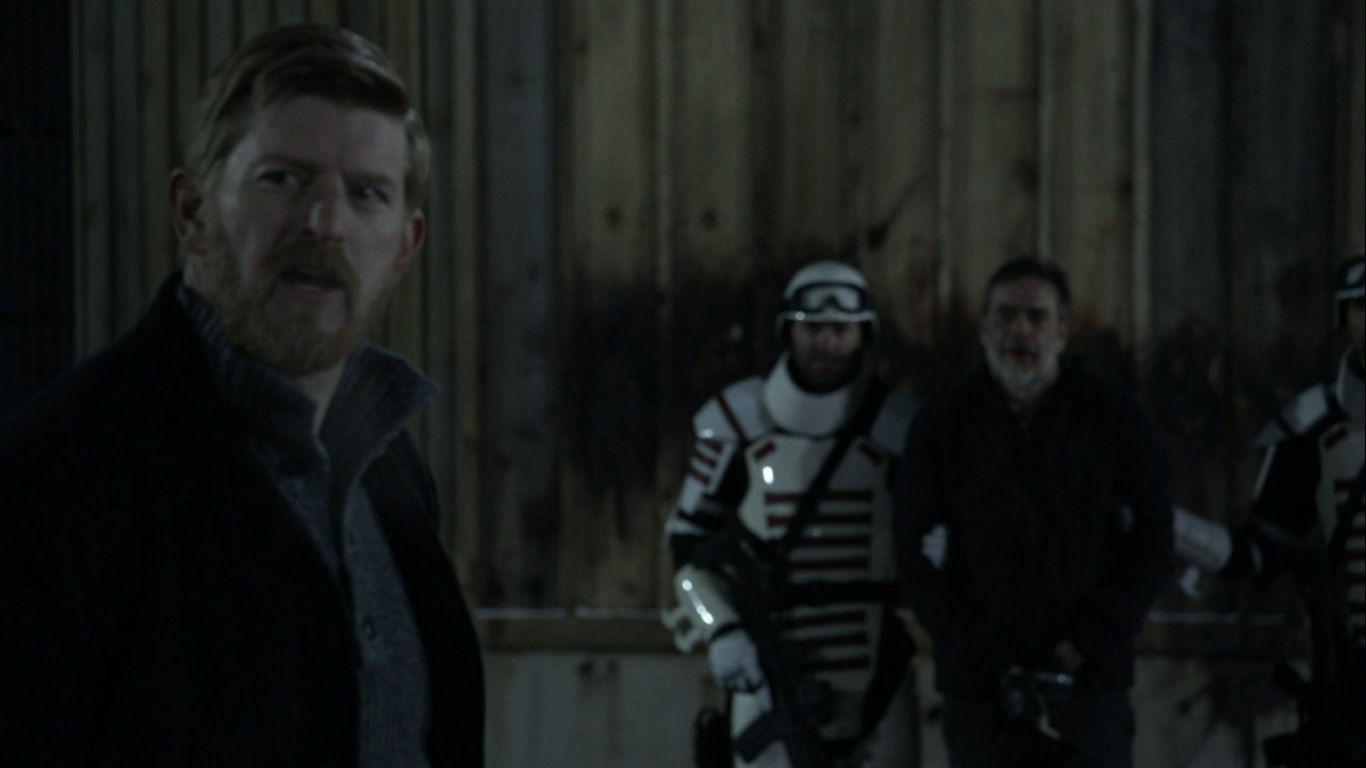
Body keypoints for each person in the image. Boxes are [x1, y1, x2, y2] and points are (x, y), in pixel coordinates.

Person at [0, 24, 484, 766]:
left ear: (404, 247)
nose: (325, 223)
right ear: (193, 213)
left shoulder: (390, 467)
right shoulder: (57, 478)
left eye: (366, 193)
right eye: (282, 179)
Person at [894, 257, 1173, 768]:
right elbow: (914, 560)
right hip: (981, 697)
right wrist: (991, 664)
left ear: (1062, 333)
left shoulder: (1113, 421)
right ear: (984, 329)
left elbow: (1153, 545)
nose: (1020, 329)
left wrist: (1077, 650)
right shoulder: (942, 429)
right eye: (1005, 315)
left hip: (1088, 692)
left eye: (1036, 317)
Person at [660, 260, 922, 768]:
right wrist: (722, 629)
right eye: (812, 327)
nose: (826, 342)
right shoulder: (736, 423)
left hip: (877, 668)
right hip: (767, 663)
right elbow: (687, 547)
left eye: (841, 329)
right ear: (788, 331)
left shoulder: (901, 428)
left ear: (863, 334)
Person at [1174, 252, 1364, 767]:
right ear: (1345, 319)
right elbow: (1259, 555)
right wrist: (1172, 527)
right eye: (1363, 307)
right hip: (1350, 685)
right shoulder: (1311, 426)